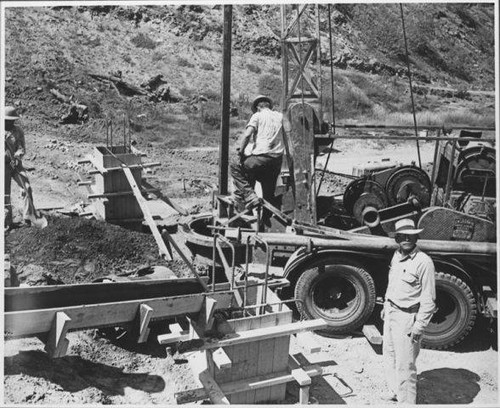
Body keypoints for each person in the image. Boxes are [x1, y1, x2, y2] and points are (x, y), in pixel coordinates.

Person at [382, 218, 436, 404]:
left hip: (407, 317)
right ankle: (395, 391)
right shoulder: (396, 256)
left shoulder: (424, 262)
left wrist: (419, 326)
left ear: (417, 237)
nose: (406, 238)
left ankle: (406, 403)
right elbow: (392, 283)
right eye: (402, 236)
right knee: (389, 355)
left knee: (406, 365)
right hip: (391, 311)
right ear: (397, 238)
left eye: (410, 235)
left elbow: (429, 299)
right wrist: (385, 306)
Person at [229, 95, 289, 214]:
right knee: (268, 195)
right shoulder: (280, 116)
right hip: (276, 161)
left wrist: (241, 152)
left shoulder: (257, 115)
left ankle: (250, 196)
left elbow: (247, 135)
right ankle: (267, 221)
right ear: (269, 106)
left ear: (257, 107)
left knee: (235, 166)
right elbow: (288, 136)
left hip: (261, 158)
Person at [4, 106, 38, 229]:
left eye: (12, 120)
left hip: (16, 165)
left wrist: (19, 154)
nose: (10, 123)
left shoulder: (18, 131)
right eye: (7, 120)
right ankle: (7, 222)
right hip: (3, 168)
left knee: (26, 188)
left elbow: (21, 147)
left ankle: (28, 217)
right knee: (5, 195)